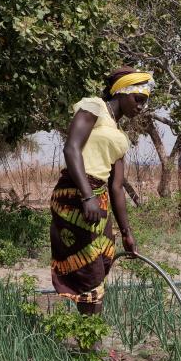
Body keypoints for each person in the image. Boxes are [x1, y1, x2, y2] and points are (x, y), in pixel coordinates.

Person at [49, 67, 152, 338]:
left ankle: (90, 341)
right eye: (138, 99)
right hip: (76, 194)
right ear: (121, 92)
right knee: (90, 271)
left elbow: (116, 187)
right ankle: (89, 346)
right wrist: (86, 196)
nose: (141, 106)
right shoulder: (93, 107)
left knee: (101, 263)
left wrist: (127, 234)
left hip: (99, 200)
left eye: (145, 101)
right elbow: (72, 148)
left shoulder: (120, 136)